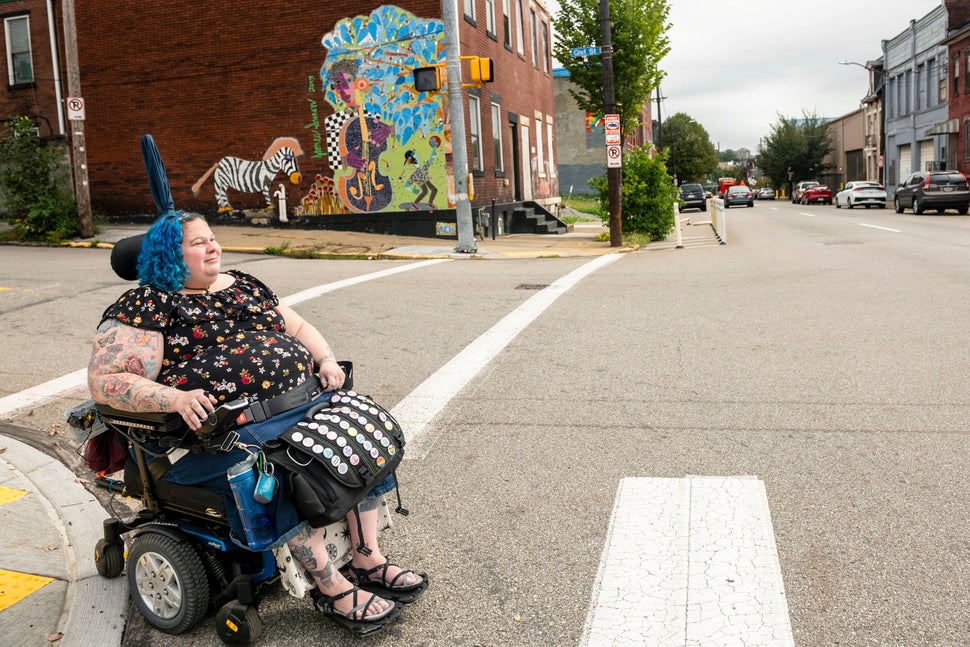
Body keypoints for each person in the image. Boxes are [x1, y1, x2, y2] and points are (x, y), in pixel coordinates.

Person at [87, 211, 426, 632]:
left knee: (363, 438)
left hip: (302, 403)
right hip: (222, 433)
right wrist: (174, 397)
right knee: (286, 470)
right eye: (199, 242)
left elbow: (298, 325)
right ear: (169, 257)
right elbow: (107, 380)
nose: (213, 246)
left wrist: (324, 359)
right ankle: (330, 584)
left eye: (212, 238)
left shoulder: (243, 285)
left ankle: (366, 556)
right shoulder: (152, 304)